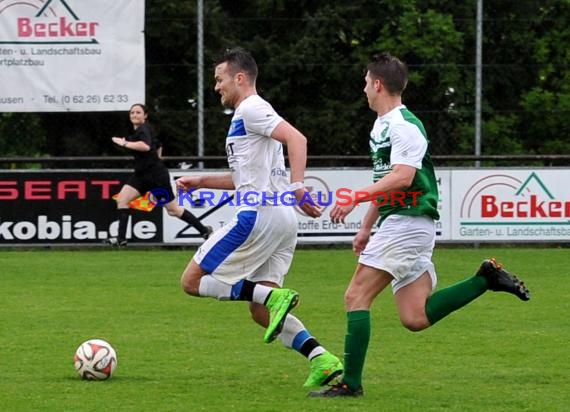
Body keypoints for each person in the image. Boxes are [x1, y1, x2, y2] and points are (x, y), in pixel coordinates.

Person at [309, 52, 531, 397]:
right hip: (401, 222)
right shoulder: (381, 126)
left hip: (409, 222)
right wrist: (367, 226)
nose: (364, 88)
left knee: (356, 295)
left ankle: (350, 384)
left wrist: (355, 197)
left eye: (366, 82)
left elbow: (402, 177)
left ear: (378, 84)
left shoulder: (404, 125)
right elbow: (386, 180)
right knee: (415, 317)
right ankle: (483, 279)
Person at [175, 47, 343, 388]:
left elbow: (297, 138)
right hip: (282, 222)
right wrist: (201, 180)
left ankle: (271, 296)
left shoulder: (252, 107)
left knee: (191, 282)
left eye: (220, 79)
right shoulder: (249, 117)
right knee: (261, 311)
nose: (217, 86)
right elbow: (245, 177)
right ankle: (321, 358)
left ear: (240, 78)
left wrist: (298, 186)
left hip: (258, 216)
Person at [108, 103, 213, 246]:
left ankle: (204, 231)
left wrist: (124, 143)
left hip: (156, 177)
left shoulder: (143, 129)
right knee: (122, 200)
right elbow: (158, 145)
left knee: (173, 210)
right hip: (141, 175)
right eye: (132, 113)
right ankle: (121, 239)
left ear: (145, 115)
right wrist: (156, 158)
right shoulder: (143, 130)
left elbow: (145, 146)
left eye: (138, 112)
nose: (134, 115)